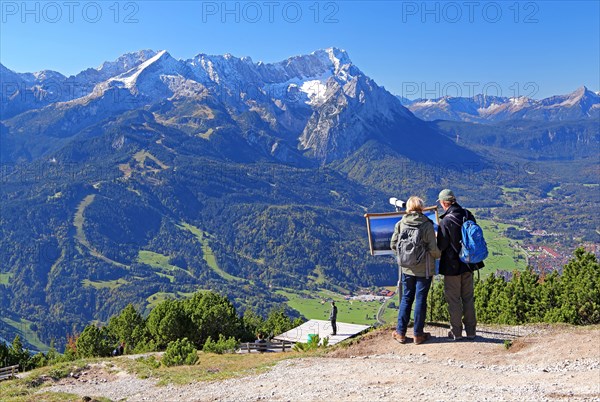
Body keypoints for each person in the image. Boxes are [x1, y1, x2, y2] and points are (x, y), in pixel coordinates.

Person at [390, 196, 440, 345]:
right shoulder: (427, 225)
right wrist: (440, 255)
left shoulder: (401, 223)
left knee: (406, 298)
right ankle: (418, 335)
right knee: (420, 300)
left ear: (408, 208)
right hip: (424, 270)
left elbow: (393, 244)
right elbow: (433, 250)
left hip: (406, 268)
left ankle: (400, 333)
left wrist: (405, 257)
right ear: (421, 208)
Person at [436, 189, 484, 341]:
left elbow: (442, 246)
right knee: (468, 297)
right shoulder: (467, 214)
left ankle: (456, 332)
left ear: (444, 203)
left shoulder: (446, 221)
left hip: (452, 267)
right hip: (469, 263)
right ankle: (471, 331)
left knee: (454, 299)